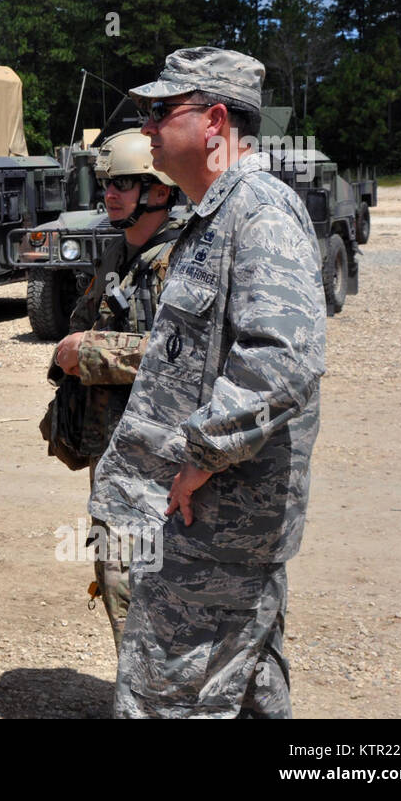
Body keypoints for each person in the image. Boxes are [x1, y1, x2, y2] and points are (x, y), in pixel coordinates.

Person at [91, 47, 326, 718]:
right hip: (211, 525)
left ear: (215, 120)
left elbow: (283, 359)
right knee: (249, 693)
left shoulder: (258, 210)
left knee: (166, 697)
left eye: (162, 110)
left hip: (216, 524)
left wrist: (201, 454)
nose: (148, 125)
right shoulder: (210, 215)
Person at [49, 128, 187, 654]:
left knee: (152, 584)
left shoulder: (179, 259)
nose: (110, 193)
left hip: (163, 460)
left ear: (159, 191)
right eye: (107, 183)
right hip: (112, 456)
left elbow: (185, 356)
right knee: (116, 576)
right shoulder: (116, 257)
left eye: (125, 183)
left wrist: (87, 352)